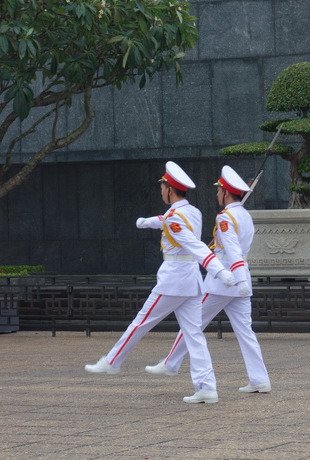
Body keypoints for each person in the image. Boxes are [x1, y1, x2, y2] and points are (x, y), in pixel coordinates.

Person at [83, 161, 235, 405]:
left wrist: (219, 272)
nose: (161, 191)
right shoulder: (191, 211)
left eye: (162, 187)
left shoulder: (175, 218)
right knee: (194, 335)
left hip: (174, 281)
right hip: (191, 282)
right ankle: (206, 387)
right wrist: (146, 221)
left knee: (141, 322)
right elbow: (164, 219)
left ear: (170, 190)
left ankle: (112, 362)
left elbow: (195, 246)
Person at [145, 166, 271, 396]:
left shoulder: (225, 218)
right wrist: (243, 280)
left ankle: (170, 362)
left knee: (193, 324)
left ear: (226, 193)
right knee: (246, 332)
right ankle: (260, 379)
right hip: (241, 280)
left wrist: (237, 278)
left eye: (219, 190)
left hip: (224, 280)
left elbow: (232, 251)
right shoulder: (244, 215)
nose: (216, 194)